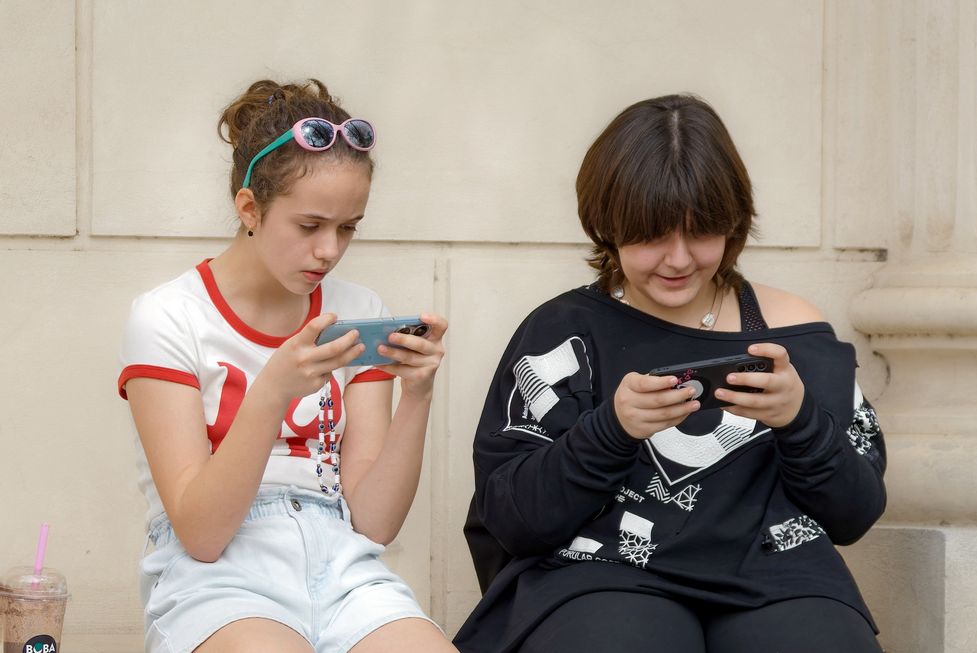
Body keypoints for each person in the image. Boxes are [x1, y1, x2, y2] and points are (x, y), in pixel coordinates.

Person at [454, 94, 886, 653]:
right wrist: (611, 429)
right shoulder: (564, 333)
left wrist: (799, 420)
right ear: (607, 224)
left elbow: (855, 514)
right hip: (600, 576)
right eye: (652, 234)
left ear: (733, 223)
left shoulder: (794, 332)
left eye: (701, 232)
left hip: (780, 581)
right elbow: (511, 519)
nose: (679, 259)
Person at [117, 79, 456, 653]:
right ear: (249, 208)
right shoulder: (168, 317)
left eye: (348, 227)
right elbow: (200, 533)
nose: (330, 250)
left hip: (343, 561)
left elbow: (373, 523)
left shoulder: (359, 312)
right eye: (309, 226)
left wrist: (417, 396)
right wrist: (272, 389)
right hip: (218, 576)